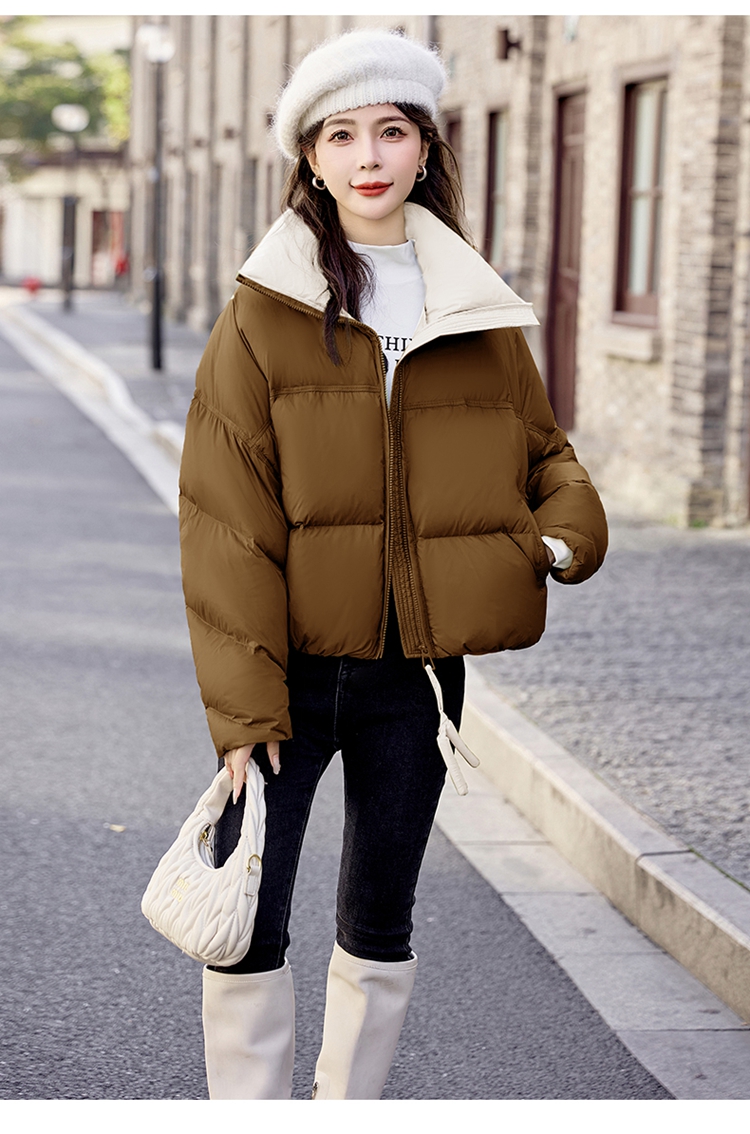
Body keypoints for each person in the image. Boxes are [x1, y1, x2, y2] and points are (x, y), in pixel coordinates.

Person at [178, 27, 608, 1101]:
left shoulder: (475, 306)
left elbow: (545, 453)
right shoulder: (264, 310)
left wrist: (560, 541)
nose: (368, 155)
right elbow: (224, 520)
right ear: (310, 159)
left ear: (424, 149)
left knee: (380, 920)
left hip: (417, 678)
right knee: (246, 915)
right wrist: (244, 707)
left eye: (391, 131)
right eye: (341, 135)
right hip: (290, 677)